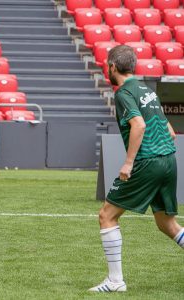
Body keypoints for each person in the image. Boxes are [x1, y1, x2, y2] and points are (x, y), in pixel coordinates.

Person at [89, 45, 183, 292]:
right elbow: (171, 133)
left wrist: (129, 162)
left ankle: (115, 282)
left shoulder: (123, 93)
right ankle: (115, 281)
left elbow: (138, 125)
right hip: (169, 160)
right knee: (166, 224)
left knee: (106, 216)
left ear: (112, 66)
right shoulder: (146, 90)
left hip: (148, 162)